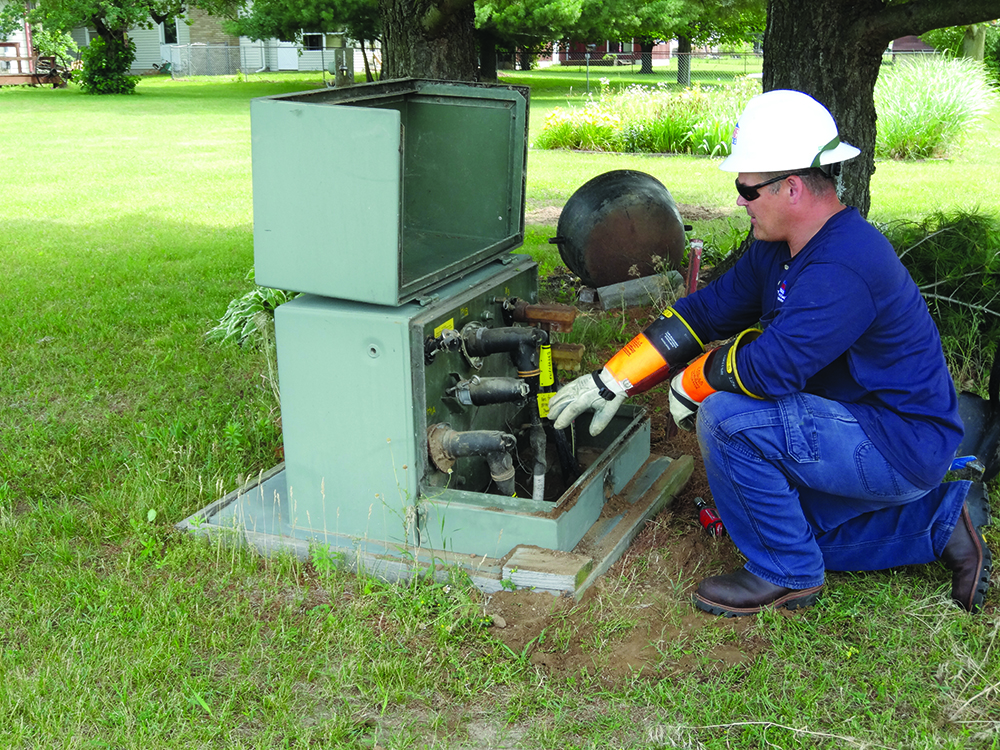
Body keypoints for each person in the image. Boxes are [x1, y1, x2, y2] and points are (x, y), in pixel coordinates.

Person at [548, 89, 992, 617]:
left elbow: (773, 367)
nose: (739, 199)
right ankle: (944, 520)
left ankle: (787, 575)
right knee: (783, 526)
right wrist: (612, 379)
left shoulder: (844, 265)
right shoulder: (778, 248)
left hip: (897, 442)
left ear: (793, 188)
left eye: (747, 188)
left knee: (727, 418)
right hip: (857, 423)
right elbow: (707, 311)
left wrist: (692, 384)